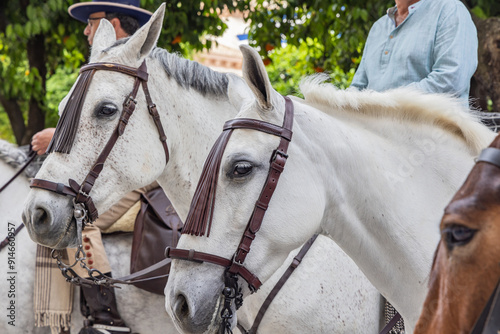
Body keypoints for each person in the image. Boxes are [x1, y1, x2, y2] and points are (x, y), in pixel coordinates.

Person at [31, 2, 157, 334]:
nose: (87, 31)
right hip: (114, 172)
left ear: (112, 25)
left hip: (138, 174)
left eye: (92, 23)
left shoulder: (140, 69)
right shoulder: (105, 69)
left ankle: (106, 317)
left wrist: (55, 135)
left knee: (75, 220)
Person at [350, 0, 478, 107]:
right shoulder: (378, 27)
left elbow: (451, 80)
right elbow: (358, 87)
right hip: (373, 130)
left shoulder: (450, 10)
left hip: (431, 130)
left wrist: (386, 102)